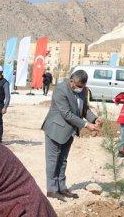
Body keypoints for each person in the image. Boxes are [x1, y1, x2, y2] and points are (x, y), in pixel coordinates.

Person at [41, 69, 101, 201]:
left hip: (69, 131)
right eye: (78, 86)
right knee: (53, 160)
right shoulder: (60, 89)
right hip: (55, 129)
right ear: (72, 81)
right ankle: (52, 189)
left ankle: (62, 188)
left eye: (82, 87)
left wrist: (94, 119)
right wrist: (86, 125)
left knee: (63, 160)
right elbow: (66, 113)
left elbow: (84, 108)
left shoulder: (83, 90)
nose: (80, 89)